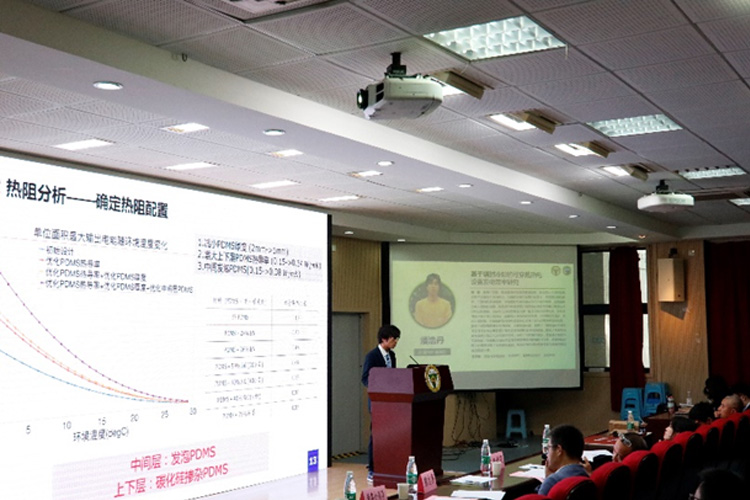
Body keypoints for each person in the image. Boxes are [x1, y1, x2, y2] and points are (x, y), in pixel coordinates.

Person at [361, 324, 401, 482]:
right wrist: (379, 386)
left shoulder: (392, 355)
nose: (396, 342)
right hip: (377, 402)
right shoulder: (372, 356)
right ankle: (372, 468)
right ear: (384, 339)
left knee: (390, 434)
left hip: (391, 402)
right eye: (393, 339)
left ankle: (387, 465)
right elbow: (365, 378)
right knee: (376, 435)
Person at [537, 424, 588, 495]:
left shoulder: (552, 482)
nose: (546, 455)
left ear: (559, 450)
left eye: (548, 448)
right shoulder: (585, 474)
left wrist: (547, 481)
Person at [583, 432, 648, 472]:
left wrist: (589, 474)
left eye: (620, 457)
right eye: (614, 451)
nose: (613, 458)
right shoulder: (603, 459)